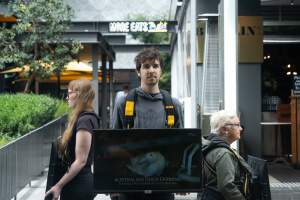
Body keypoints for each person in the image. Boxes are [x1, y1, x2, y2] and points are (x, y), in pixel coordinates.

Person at [111, 47, 183, 200]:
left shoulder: (173, 105)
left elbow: (180, 144)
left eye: (155, 66)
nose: (151, 70)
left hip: (163, 184)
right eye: (146, 66)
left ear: (161, 70)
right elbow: (114, 141)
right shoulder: (124, 103)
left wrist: (181, 181)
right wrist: (112, 184)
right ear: (138, 72)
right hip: (130, 184)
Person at [45, 79, 99, 200]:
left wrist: (58, 186)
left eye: (69, 93)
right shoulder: (84, 118)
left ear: (79, 95)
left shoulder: (85, 120)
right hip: (76, 183)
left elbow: (81, 161)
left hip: (79, 185)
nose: (67, 97)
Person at [201, 110, 253, 200]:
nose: (240, 128)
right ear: (224, 129)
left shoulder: (210, 146)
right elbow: (226, 186)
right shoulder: (223, 153)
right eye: (237, 125)